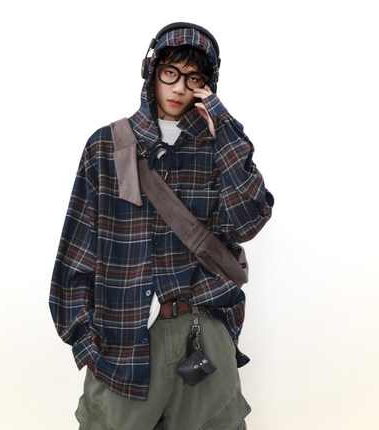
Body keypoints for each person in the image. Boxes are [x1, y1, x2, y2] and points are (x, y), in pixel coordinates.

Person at [50, 22, 274, 430]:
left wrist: (224, 130)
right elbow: (77, 249)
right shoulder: (107, 145)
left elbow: (247, 220)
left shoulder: (217, 147)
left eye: (194, 78)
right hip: (122, 341)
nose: (179, 87)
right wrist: (86, 345)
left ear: (207, 86)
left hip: (202, 333)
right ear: (151, 72)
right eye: (170, 72)